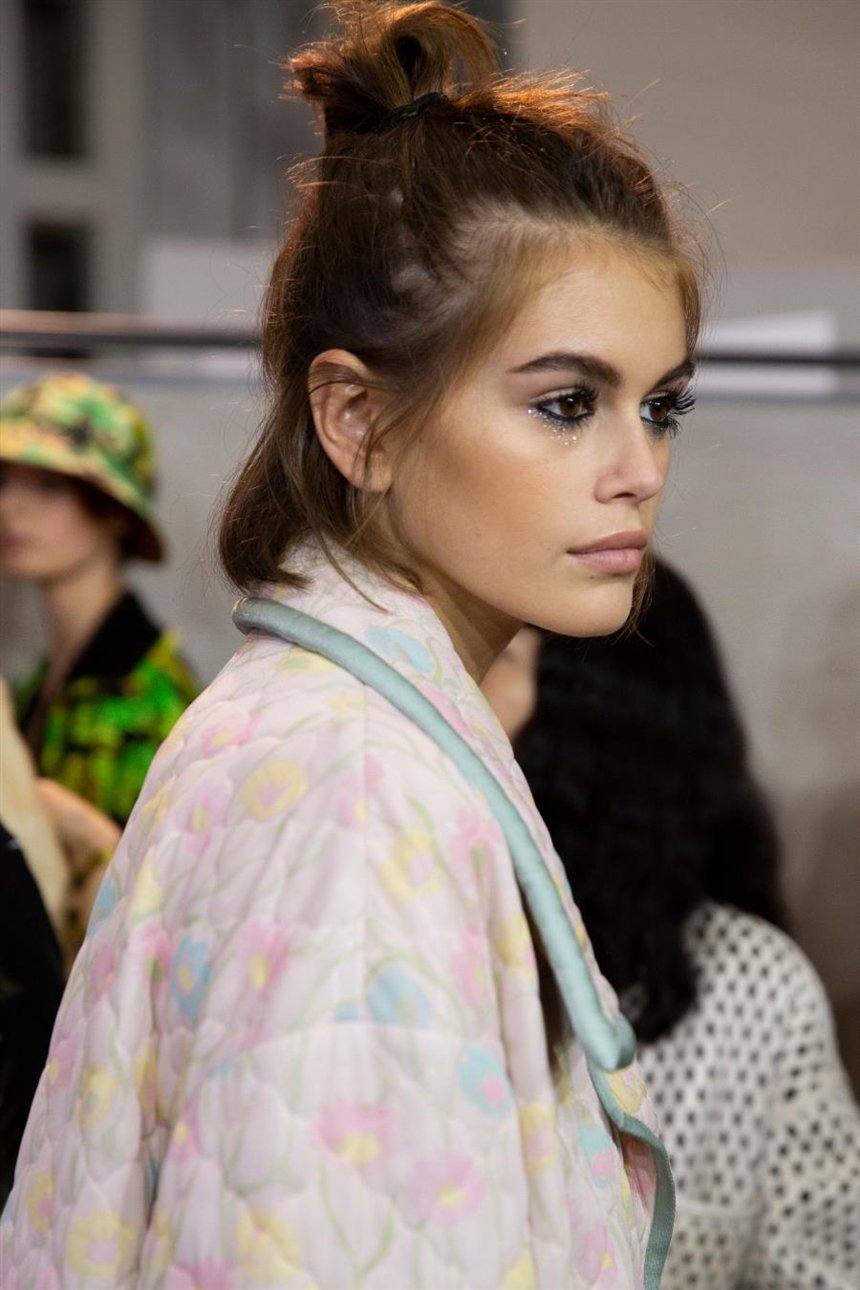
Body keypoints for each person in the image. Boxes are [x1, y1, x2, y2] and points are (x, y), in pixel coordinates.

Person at [2, 4, 704, 1285]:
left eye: (659, 405)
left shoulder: (324, 728)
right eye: (566, 403)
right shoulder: (364, 791)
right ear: (357, 422)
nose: (639, 467)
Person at [484, 560, 860, 1289]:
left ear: (592, 719)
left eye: (498, 659)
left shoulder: (754, 987)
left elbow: (825, 1264)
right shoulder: (440, 920)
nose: (454, 690)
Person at [0, 372, 199, 830]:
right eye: (4, 480)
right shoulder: (37, 687)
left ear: (113, 510)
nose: (10, 505)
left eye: (50, 485)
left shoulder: (150, 702)